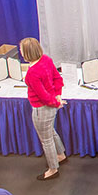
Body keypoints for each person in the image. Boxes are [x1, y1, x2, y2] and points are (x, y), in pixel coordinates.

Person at [21, 37, 66, 180]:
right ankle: (60, 155)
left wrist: (55, 102)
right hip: (51, 105)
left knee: (46, 140)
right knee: (51, 132)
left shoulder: (32, 73)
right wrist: (57, 96)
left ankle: (53, 169)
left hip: (43, 109)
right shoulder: (46, 59)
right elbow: (57, 79)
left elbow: (43, 96)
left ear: (27, 53)